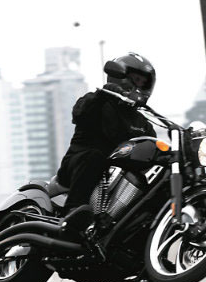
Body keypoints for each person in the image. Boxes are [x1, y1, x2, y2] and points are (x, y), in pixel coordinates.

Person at [56, 53, 157, 239]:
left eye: (143, 82)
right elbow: (79, 114)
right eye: (136, 80)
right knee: (95, 156)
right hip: (77, 166)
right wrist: (102, 95)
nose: (140, 86)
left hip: (113, 180)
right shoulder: (97, 100)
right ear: (120, 77)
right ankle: (73, 211)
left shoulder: (143, 123)